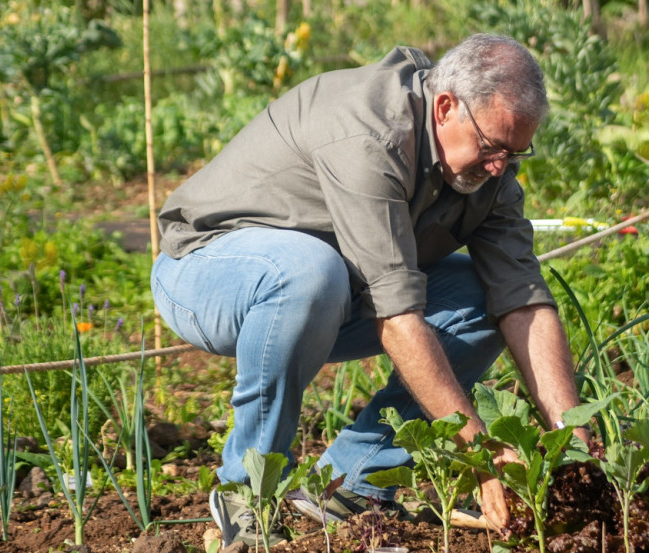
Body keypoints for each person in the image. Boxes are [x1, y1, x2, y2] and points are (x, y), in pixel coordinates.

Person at [151, 32, 588, 548]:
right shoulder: (370, 134)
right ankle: (248, 487)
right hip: (207, 270)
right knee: (311, 272)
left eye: (515, 152)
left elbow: (523, 302)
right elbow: (398, 319)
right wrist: (482, 454)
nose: (499, 166)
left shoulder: (490, 175)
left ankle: (350, 484)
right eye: (492, 147)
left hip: (328, 290)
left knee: (479, 298)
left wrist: (574, 443)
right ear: (445, 107)